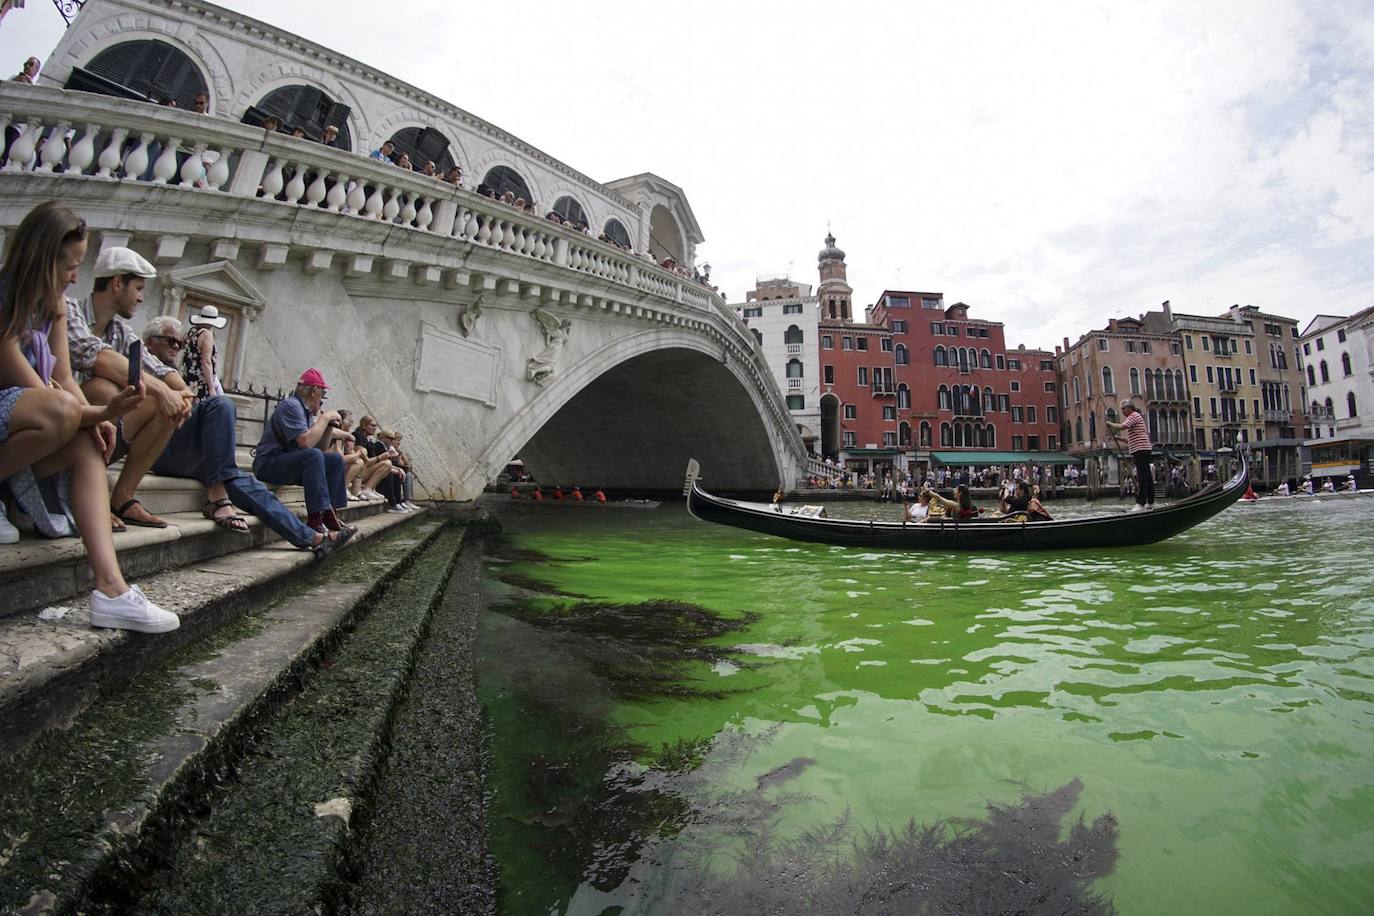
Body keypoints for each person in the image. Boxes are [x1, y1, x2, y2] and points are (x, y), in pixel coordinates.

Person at [0, 201, 177, 631]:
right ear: (42, 259)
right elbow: (35, 386)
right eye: (69, 266)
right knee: (68, 412)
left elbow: (62, 374)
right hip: (18, 411)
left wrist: (101, 417)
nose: (76, 277)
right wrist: (90, 410)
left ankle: (111, 588)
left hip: (38, 418)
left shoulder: (56, 305)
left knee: (87, 441)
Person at [142, 320, 352, 557]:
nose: (177, 347)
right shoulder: (141, 364)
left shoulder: (171, 373)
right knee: (221, 404)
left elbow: (186, 398)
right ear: (150, 343)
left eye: (180, 343)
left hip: (188, 449)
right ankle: (218, 499)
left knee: (249, 486)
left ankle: (311, 538)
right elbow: (304, 444)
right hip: (157, 449)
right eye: (171, 341)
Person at [64, 246, 193, 531]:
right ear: (117, 283)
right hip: (62, 424)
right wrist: (162, 391)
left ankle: (122, 497)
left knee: (167, 405)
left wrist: (181, 393)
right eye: (137, 287)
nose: (141, 297)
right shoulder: (68, 309)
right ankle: (88, 498)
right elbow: (95, 356)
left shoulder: (121, 332)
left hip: (101, 428)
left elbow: (159, 369)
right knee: (103, 388)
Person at [252, 368, 353, 534]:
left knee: (334, 459)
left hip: (288, 461)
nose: (322, 399)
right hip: (268, 463)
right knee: (313, 456)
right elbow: (306, 443)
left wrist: (327, 428)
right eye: (323, 394)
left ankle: (332, 513)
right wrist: (325, 418)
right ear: (314, 391)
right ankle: (315, 520)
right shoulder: (292, 406)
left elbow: (318, 449)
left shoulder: (304, 411)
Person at [1106, 398, 1154, 512]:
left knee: (1142, 477)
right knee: (1146, 476)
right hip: (1142, 449)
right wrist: (1119, 438)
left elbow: (1122, 427)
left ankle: (1141, 503)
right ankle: (1150, 502)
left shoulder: (1134, 416)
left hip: (1141, 449)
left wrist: (1110, 424)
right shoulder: (1136, 418)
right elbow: (1131, 440)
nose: (1122, 411)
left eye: (1123, 409)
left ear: (1129, 408)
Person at [182, 304, 226, 401]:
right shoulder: (206, 335)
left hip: (189, 380)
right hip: (201, 383)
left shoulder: (192, 332)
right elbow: (206, 362)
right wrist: (211, 388)